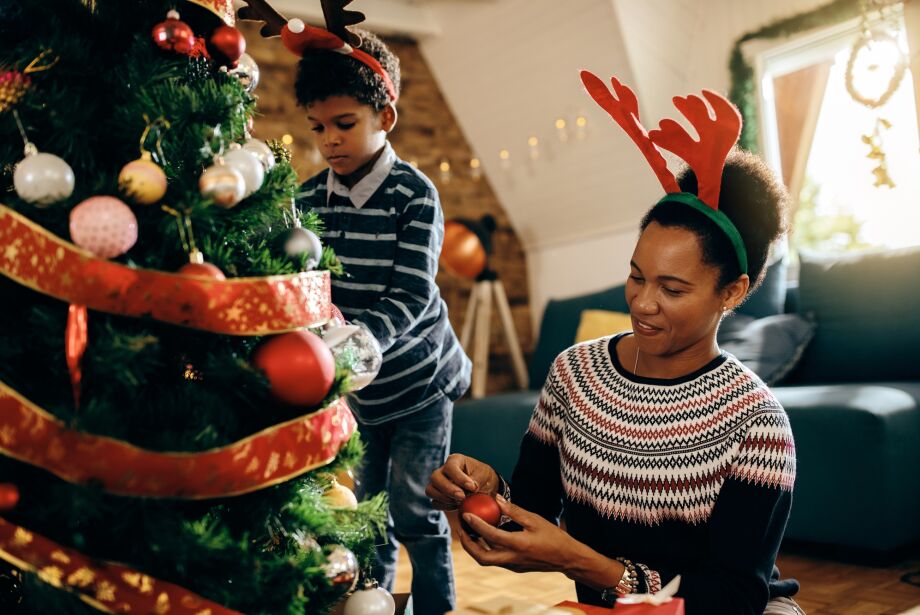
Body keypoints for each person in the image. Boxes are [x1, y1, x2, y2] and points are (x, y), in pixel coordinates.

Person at [426, 73, 804, 615]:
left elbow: (735, 597)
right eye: (636, 276)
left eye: (673, 289)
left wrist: (584, 563)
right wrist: (481, 493)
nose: (643, 303)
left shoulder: (756, 423)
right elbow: (529, 509)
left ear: (733, 291)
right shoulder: (574, 374)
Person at [292, 26, 471, 615]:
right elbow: (310, 285)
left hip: (420, 384)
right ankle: (375, 606)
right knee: (368, 511)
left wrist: (361, 340)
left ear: (384, 116)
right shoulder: (309, 200)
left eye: (344, 123)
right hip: (358, 392)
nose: (330, 141)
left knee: (416, 510)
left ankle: (437, 607)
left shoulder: (413, 194)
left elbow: (416, 291)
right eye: (318, 128)